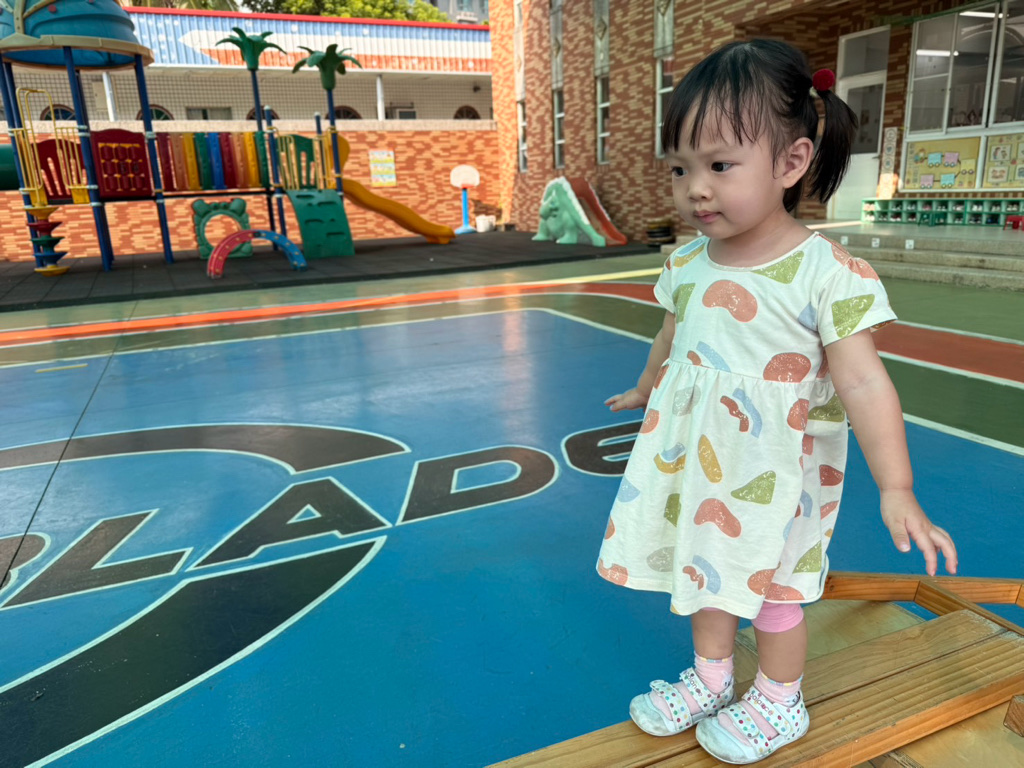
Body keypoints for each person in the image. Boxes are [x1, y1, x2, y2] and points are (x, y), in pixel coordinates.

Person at [596, 39, 957, 764]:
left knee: (773, 590)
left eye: (720, 165)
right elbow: (673, 332)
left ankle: (779, 699)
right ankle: (712, 679)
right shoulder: (687, 263)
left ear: (791, 163)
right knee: (705, 573)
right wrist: (647, 385)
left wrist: (897, 486)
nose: (695, 189)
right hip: (698, 456)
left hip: (778, 468)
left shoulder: (826, 274)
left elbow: (864, 383)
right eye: (680, 169)